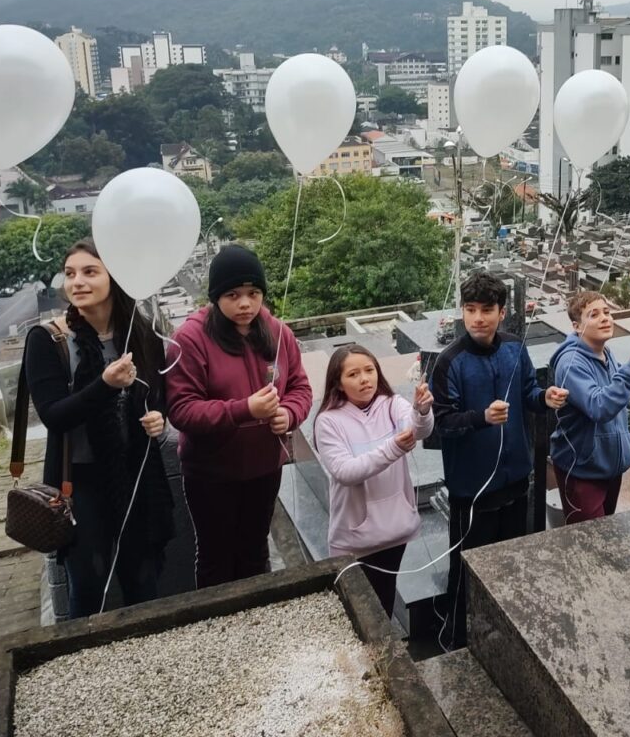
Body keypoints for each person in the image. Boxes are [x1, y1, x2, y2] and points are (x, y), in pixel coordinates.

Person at [24, 239, 172, 618]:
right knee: (88, 588)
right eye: (70, 273)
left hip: (137, 473)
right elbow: (54, 415)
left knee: (144, 579)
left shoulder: (141, 334)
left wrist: (157, 417)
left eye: (90, 272)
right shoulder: (49, 340)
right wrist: (104, 385)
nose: (77, 282)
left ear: (114, 278)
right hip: (81, 483)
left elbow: (156, 394)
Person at [430, 271, 568, 645]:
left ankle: (504, 637)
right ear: (462, 311)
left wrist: (545, 398)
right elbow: (442, 424)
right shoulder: (449, 361)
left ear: (501, 313)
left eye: (486, 309)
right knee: (467, 569)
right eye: (470, 309)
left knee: (510, 562)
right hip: (471, 489)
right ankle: (457, 639)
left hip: (515, 479)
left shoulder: (513, 348)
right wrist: (482, 418)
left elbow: (528, 393)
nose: (478, 318)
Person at [167, 244, 313, 588]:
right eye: (233, 294)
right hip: (211, 473)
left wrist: (290, 414)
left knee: (255, 550)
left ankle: (257, 619)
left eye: (253, 293)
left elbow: (301, 389)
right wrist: (244, 409)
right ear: (216, 296)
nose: (245, 303)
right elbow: (182, 409)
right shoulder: (190, 338)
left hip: (264, 466)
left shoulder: (278, 332)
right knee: (216, 556)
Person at [314, 346, 434, 616]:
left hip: (394, 529)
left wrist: (422, 411)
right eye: (353, 374)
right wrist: (393, 448)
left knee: (385, 597)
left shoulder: (391, 404)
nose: (365, 379)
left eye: (369, 370)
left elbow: (419, 430)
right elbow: (345, 471)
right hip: (356, 537)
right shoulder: (328, 421)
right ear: (338, 383)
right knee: (359, 610)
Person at [550, 291, 630, 525]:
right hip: (583, 468)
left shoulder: (605, 353)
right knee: (589, 539)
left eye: (607, 312)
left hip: (608, 463)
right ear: (577, 326)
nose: (605, 318)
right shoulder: (571, 363)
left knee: (606, 529)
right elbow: (599, 407)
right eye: (593, 315)